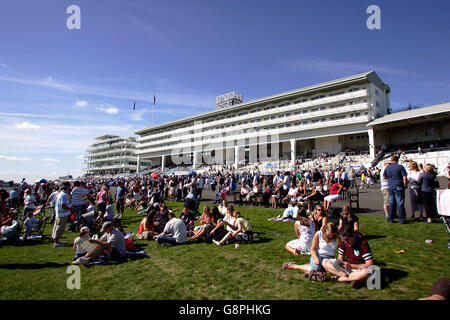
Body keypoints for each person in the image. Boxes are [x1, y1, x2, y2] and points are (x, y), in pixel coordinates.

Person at [322, 224, 374, 289]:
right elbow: (340, 257)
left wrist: (352, 266)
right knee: (325, 262)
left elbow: (370, 264)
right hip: (347, 269)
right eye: (344, 240)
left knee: (367, 272)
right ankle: (352, 278)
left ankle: (341, 279)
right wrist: (339, 263)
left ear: (353, 236)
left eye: (347, 240)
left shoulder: (363, 243)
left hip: (359, 269)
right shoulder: (343, 241)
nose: (346, 242)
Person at [383, 154, 409, 224]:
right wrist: (405, 185)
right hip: (399, 186)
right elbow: (405, 177)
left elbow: (384, 177)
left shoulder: (387, 168)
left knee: (391, 203)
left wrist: (390, 180)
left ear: (391, 160)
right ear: (397, 160)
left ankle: (390, 218)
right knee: (400, 203)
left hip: (391, 187)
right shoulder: (400, 167)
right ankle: (402, 219)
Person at [52, 182, 73, 248]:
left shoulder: (61, 194)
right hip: (62, 214)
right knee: (60, 228)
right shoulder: (63, 195)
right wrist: (70, 208)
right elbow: (63, 205)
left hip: (60, 213)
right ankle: (56, 242)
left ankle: (57, 240)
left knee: (58, 227)